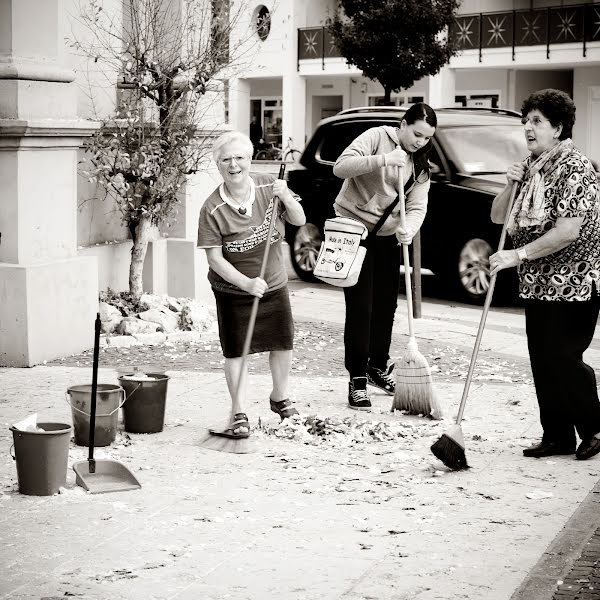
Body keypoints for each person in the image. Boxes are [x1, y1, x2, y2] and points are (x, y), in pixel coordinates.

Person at [490, 88, 600, 460]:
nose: (528, 128)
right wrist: (510, 183)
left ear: (558, 127)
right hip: (538, 281)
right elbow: (496, 217)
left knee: (563, 355)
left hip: (576, 280)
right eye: (526, 121)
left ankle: (594, 428)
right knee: (542, 357)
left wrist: (517, 255)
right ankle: (556, 435)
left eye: (537, 121)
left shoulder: (575, 167)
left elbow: (568, 230)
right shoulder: (532, 167)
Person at [197, 131, 306, 438]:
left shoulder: (269, 186)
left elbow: (299, 219)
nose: (234, 165)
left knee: (283, 344)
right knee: (236, 353)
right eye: (226, 159)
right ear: (218, 164)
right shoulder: (212, 208)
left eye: (240, 158)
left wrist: (286, 197)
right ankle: (239, 410)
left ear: (249, 159)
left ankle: (280, 398)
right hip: (233, 289)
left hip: (273, 282)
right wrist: (245, 283)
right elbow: (215, 259)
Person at [332, 102, 437, 410]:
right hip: (353, 231)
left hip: (387, 237)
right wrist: (383, 160)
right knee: (361, 306)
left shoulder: (419, 167)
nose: (420, 142)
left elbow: (417, 207)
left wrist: (409, 227)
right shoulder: (377, 136)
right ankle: (357, 379)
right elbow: (341, 166)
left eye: (427, 138)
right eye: (416, 133)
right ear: (403, 124)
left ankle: (377, 366)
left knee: (385, 306)